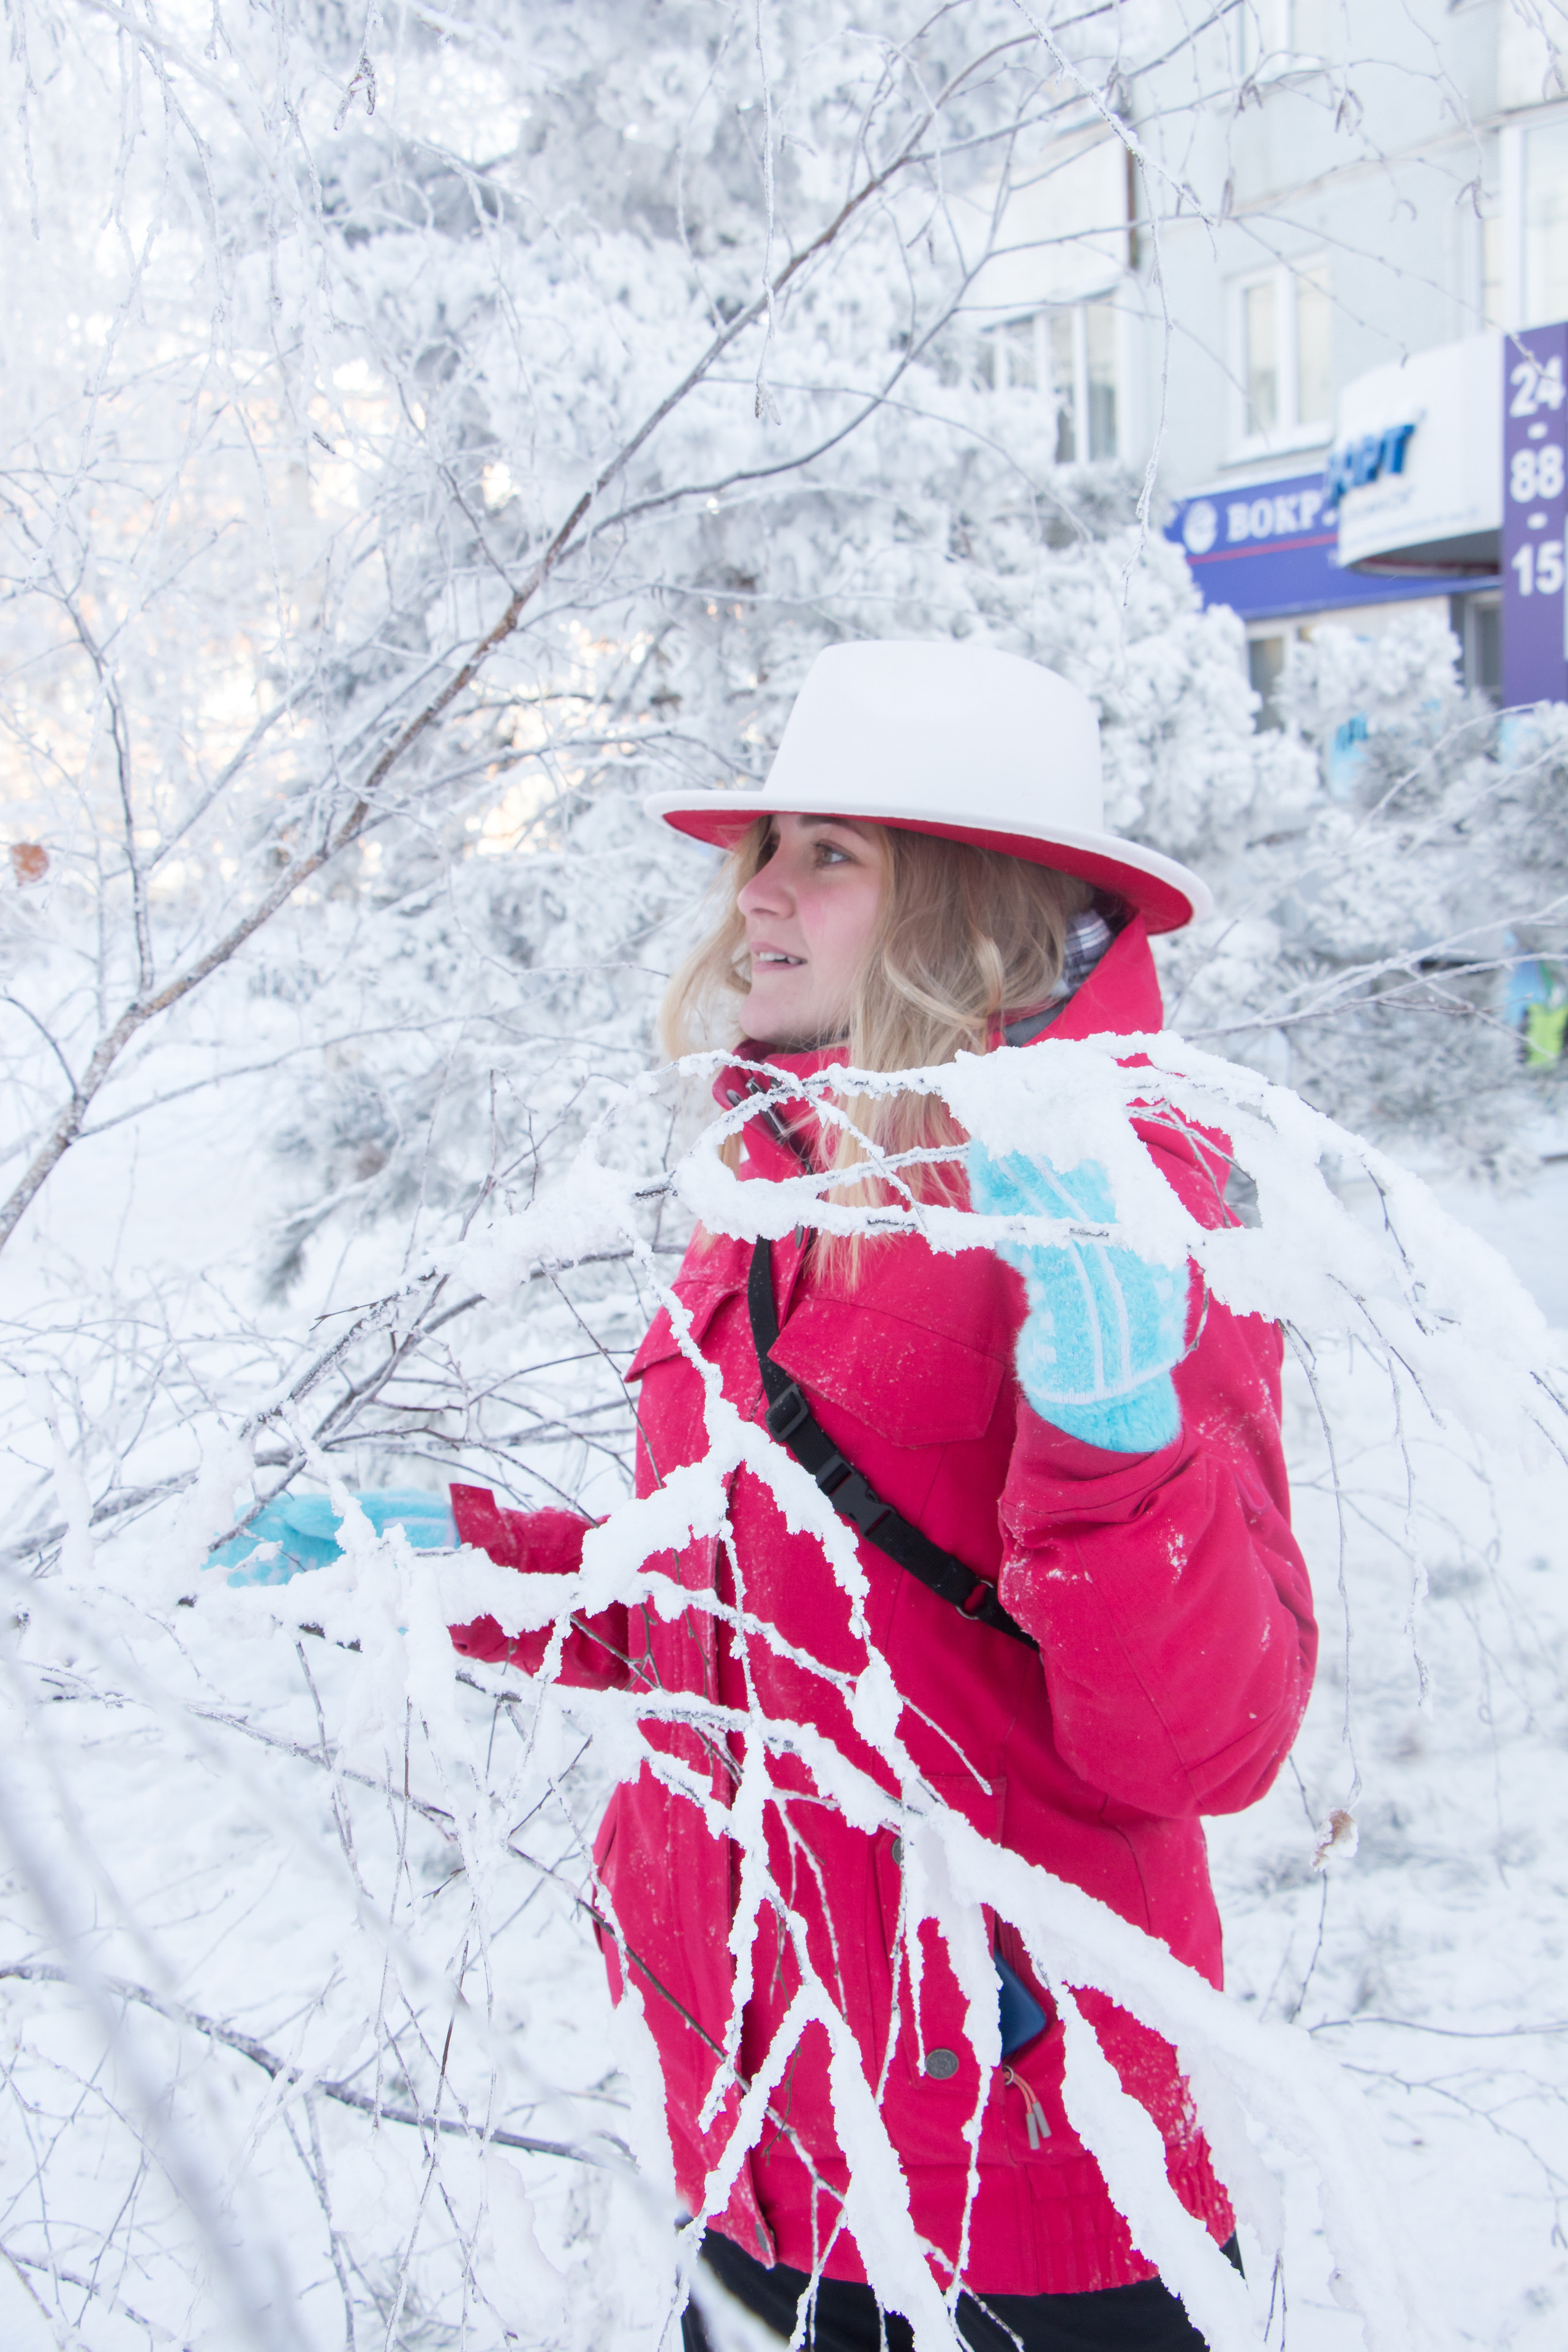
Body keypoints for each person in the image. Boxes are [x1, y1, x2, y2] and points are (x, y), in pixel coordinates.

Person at [447, 643, 1317, 2351]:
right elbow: (721, 1623)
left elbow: (1204, 1748)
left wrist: (1117, 1443)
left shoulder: (1108, 1206)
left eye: (826, 853)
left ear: (967, 909)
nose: (755, 894)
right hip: (765, 2134)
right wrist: (455, 1562)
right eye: (765, 846)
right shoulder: (781, 1196)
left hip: (1025, 2181)